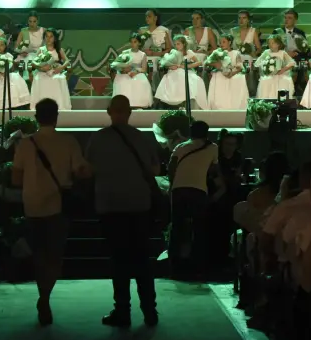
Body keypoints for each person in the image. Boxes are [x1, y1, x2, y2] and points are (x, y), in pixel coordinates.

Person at [11, 98, 91, 325]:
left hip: (33, 204)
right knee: (55, 253)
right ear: (57, 117)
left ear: (36, 117)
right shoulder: (68, 142)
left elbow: (16, 178)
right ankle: (45, 296)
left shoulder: (26, 144)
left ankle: (43, 295)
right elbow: (81, 171)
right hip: (59, 204)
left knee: (39, 252)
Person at [84, 95, 160, 327]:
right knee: (142, 260)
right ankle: (150, 311)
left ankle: (123, 310)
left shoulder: (98, 139)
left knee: (119, 260)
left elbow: (87, 171)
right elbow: (155, 169)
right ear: (129, 112)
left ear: (109, 111)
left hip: (111, 205)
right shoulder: (142, 138)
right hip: (139, 204)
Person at [168, 120, 220, 278]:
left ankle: (175, 266)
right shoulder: (212, 148)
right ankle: (198, 266)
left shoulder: (180, 147)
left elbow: (171, 166)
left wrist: (173, 183)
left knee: (177, 227)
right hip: (198, 190)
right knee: (199, 229)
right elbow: (214, 169)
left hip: (179, 190)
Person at [28, 28, 71, 111]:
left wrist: (61, 68)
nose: (48, 39)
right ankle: (40, 106)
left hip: (55, 72)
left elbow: (67, 61)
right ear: (44, 38)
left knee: (58, 79)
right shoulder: (41, 50)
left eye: (51, 36)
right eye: (46, 36)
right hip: (42, 72)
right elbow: (33, 63)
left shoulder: (59, 50)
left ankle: (59, 106)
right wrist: (40, 67)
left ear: (54, 38)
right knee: (39, 78)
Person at [109, 33, 153, 109]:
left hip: (136, 73)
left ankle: (138, 104)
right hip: (124, 73)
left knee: (140, 81)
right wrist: (123, 69)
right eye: (131, 42)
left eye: (135, 42)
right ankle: (123, 104)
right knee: (123, 81)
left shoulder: (142, 54)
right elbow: (118, 64)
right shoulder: (125, 52)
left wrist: (135, 71)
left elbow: (144, 69)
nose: (133, 44)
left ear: (139, 43)